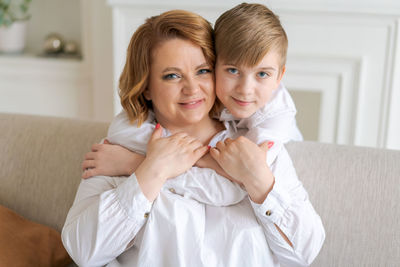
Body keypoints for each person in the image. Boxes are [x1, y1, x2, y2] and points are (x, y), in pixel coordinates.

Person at [62, 6, 324, 267]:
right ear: (147, 88)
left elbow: (304, 253)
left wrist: (260, 183)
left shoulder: (256, 147)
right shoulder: (119, 149)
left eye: (202, 71)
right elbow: (84, 252)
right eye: (172, 76)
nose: (192, 89)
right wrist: (151, 170)